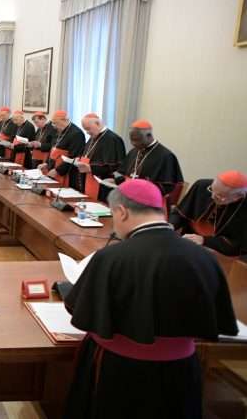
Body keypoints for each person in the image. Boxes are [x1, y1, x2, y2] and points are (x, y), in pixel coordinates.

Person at [63, 179, 237, 419]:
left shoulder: (112, 257)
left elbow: (78, 308)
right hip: (181, 369)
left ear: (122, 212)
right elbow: (217, 318)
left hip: (118, 369)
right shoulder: (203, 257)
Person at [170, 170, 247, 257]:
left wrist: (205, 240)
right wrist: (171, 225)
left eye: (220, 196)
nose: (213, 196)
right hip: (187, 238)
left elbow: (237, 245)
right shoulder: (202, 185)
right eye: (212, 190)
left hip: (217, 251)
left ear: (239, 196)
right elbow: (181, 213)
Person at [113, 120, 184, 205]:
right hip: (129, 199)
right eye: (131, 140)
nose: (133, 144)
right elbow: (125, 174)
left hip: (150, 204)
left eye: (137, 140)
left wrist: (139, 188)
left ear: (149, 135)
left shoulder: (166, 156)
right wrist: (115, 181)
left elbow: (167, 187)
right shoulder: (134, 151)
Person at [74, 114, 126, 200]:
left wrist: (91, 168)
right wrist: (79, 159)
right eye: (85, 129)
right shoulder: (94, 137)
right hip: (88, 181)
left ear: (97, 123)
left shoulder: (112, 139)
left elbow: (115, 166)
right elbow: (87, 154)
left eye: (88, 129)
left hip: (103, 186)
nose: (87, 132)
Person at [38, 110, 85, 187]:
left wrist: (58, 170)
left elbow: (73, 157)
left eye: (56, 123)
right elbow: (53, 149)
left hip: (66, 172)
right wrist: (46, 163)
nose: (54, 126)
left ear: (64, 120)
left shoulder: (76, 134)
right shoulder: (59, 130)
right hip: (54, 169)